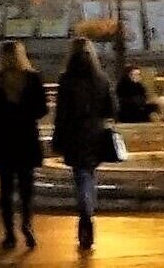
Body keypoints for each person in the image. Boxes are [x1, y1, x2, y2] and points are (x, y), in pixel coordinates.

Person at [0, 39, 50, 249]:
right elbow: (42, 109)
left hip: (4, 139)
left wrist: (5, 116)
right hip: (26, 137)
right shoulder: (33, 79)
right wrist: (25, 115)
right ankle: (27, 226)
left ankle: (9, 233)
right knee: (27, 187)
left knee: (5, 188)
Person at [52, 38, 117, 252]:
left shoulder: (66, 80)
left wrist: (58, 139)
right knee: (88, 174)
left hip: (73, 134)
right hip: (95, 134)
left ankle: (85, 214)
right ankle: (88, 212)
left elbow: (60, 113)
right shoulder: (101, 78)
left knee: (81, 175)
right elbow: (112, 109)